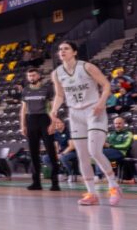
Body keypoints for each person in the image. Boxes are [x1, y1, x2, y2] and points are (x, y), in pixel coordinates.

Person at [49, 40, 122, 206]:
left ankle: (113, 185)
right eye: (60, 49)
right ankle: (91, 193)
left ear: (74, 52)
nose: (62, 51)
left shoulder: (87, 67)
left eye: (66, 48)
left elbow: (105, 85)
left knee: (94, 151)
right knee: (82, 155)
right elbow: (60, 95)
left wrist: (102, 102)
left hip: (93, 110)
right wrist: (53, 110)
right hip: (75, 114)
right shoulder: (56, 73)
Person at [20, 67, 60, 191]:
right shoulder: (25, 90)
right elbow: (23, 109)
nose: (32, 77)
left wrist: (53, 123)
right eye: (29, 76)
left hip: (45, 120)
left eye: (34, 75)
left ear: (39, 76)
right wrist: (23, 125)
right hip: (31, 120)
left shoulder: (47, 88)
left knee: (51, 152)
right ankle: (36, 182)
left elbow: (51, 107)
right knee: (33, 153)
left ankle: (55, 183)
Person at [98, 117, 133, 183]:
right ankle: (109, 175)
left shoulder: (128, 133)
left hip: (120, 153)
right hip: (110, 154)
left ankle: (100, 176)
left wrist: (111, 146)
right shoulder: (110, 134)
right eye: (116, 123)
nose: (117, 125)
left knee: (99, 154)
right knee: (98, 154)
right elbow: (105, 143)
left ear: (123, 124)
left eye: (119, 123)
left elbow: (126, 145)